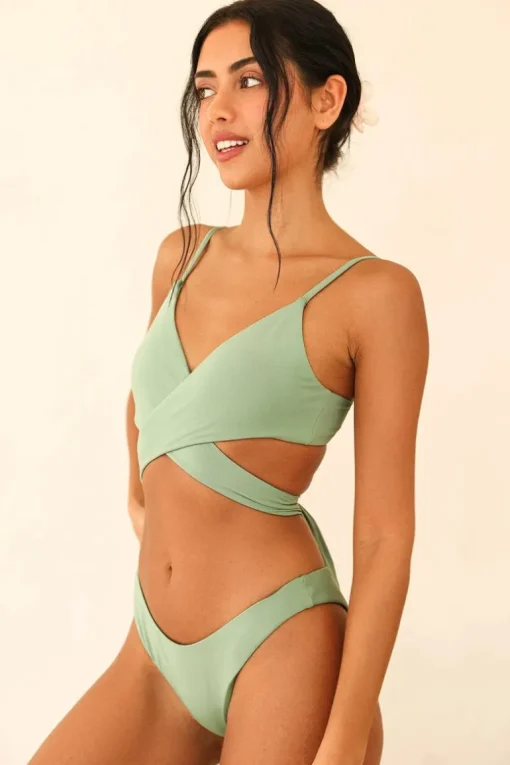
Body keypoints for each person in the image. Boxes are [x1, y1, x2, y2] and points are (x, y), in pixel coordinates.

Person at [28, 1, 428, 764]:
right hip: (150, 649)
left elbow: (384, 535)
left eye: (249, 80)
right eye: (205, 87)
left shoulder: (374, 295)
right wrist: (141, 497)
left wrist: (345, 730)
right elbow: (149, 401)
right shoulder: (179, 255)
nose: (218, 110)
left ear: (326, 101)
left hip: (281, 645)